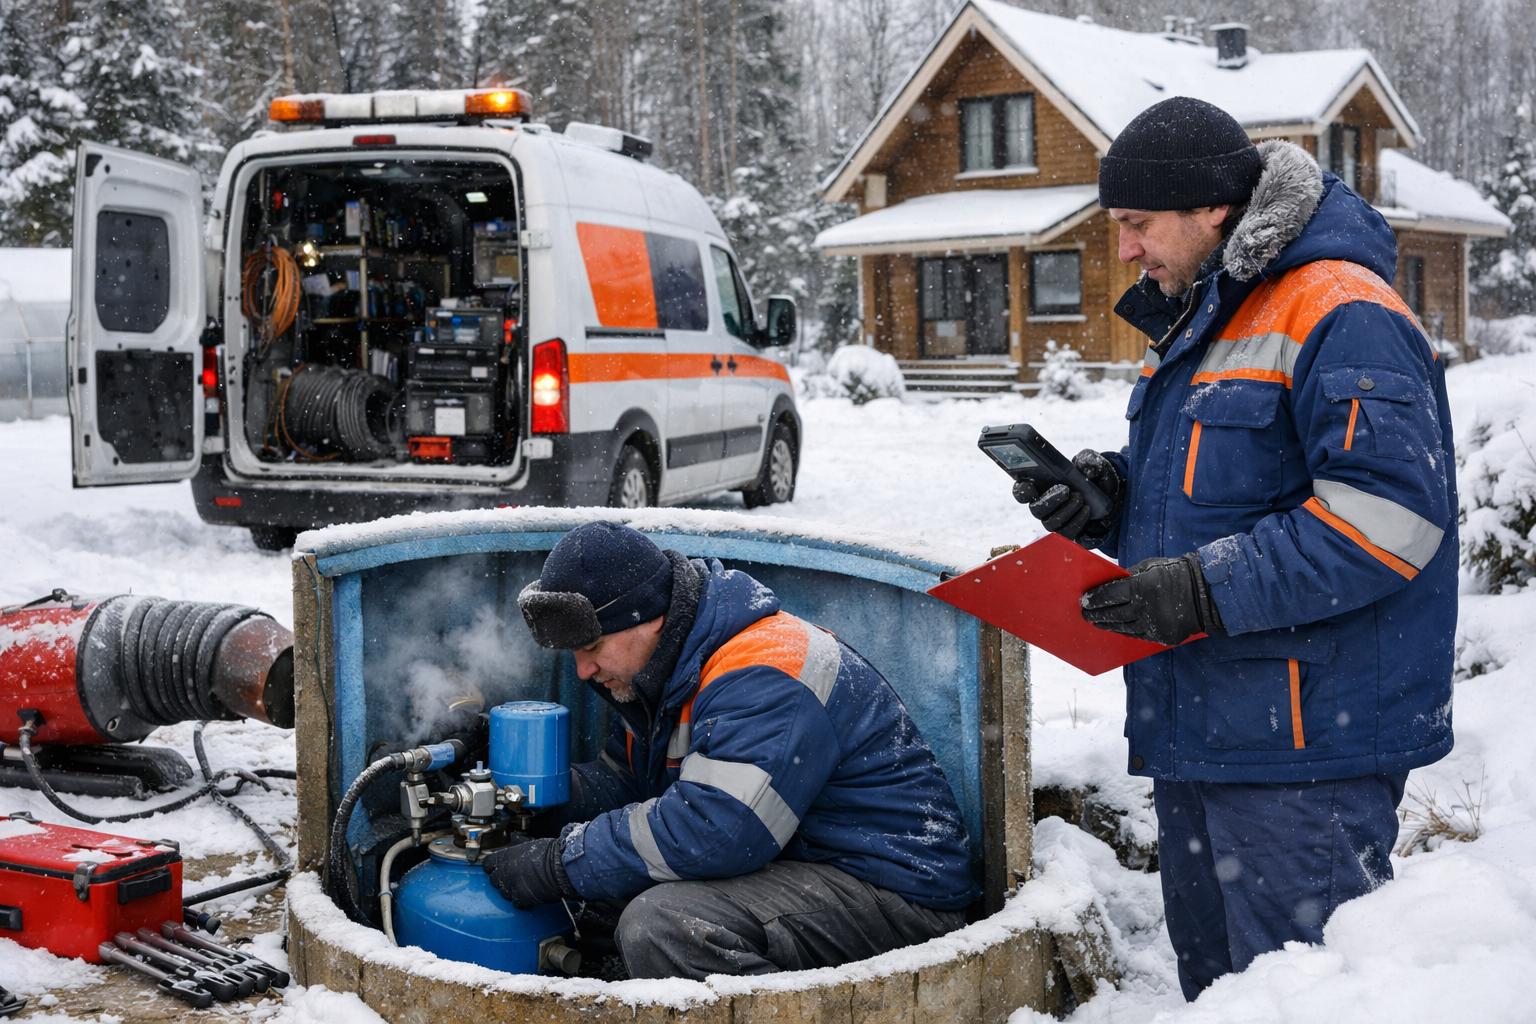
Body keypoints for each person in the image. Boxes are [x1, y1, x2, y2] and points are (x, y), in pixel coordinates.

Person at [1014, 97, 1456, 1000]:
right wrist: (1108, 499)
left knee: (1305, 1001)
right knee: (1221, 998)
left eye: (1137, 224)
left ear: (1213, 210)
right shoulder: (1208, 311)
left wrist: (1201, 592)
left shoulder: (1341, 311)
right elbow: (1215, 490)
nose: (1126, 250)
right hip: (1206, 727)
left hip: (1305, 751)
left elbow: (1388, 522)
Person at [481, 521, 976, 980]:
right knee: (600, 896)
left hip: (896, 895)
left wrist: (558, 863)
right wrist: (540, 797)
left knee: (664, 925)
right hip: (798, 868)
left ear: (647, 618)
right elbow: (627, 785)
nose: (583, 671)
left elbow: (716, 832)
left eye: (592, 649)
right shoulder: (665, 672)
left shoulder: (764, 669)